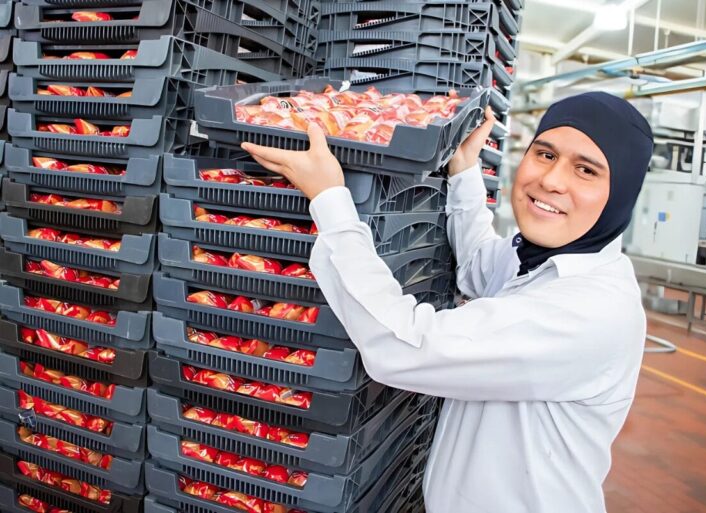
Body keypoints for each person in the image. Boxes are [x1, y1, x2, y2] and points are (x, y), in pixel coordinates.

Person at [241, 91, 654, 513]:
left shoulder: (590, 312)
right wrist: (465, 169)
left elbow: (402, 346)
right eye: (545, 154)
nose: (552, 180)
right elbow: (479, 263)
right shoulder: (541, 262)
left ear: (621, 194)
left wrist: (330, 200)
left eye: (586, 170)